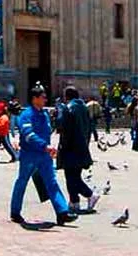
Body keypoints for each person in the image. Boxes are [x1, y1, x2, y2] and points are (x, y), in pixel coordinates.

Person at [9, 84, 74, 226]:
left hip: (44, 155)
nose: (46, 99)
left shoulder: (44, 114)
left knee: (52, 182)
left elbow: (47, 133)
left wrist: (50, 148)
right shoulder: (26, 115)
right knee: (22, 181)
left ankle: (62, 212)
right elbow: (28, 135)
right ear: (34, 99)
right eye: (43, 97)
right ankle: (15, 211)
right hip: (30, 155)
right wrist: (45, 146)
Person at [56, 85, 100, 214]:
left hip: (71, 148)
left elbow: (63, 129)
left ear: (66, 97)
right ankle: (74, 202)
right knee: (74, 175)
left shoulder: (68, 109)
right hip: (82, 146)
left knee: (71, 177)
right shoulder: (84, 108)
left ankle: (90, 195)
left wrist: (62, 147)